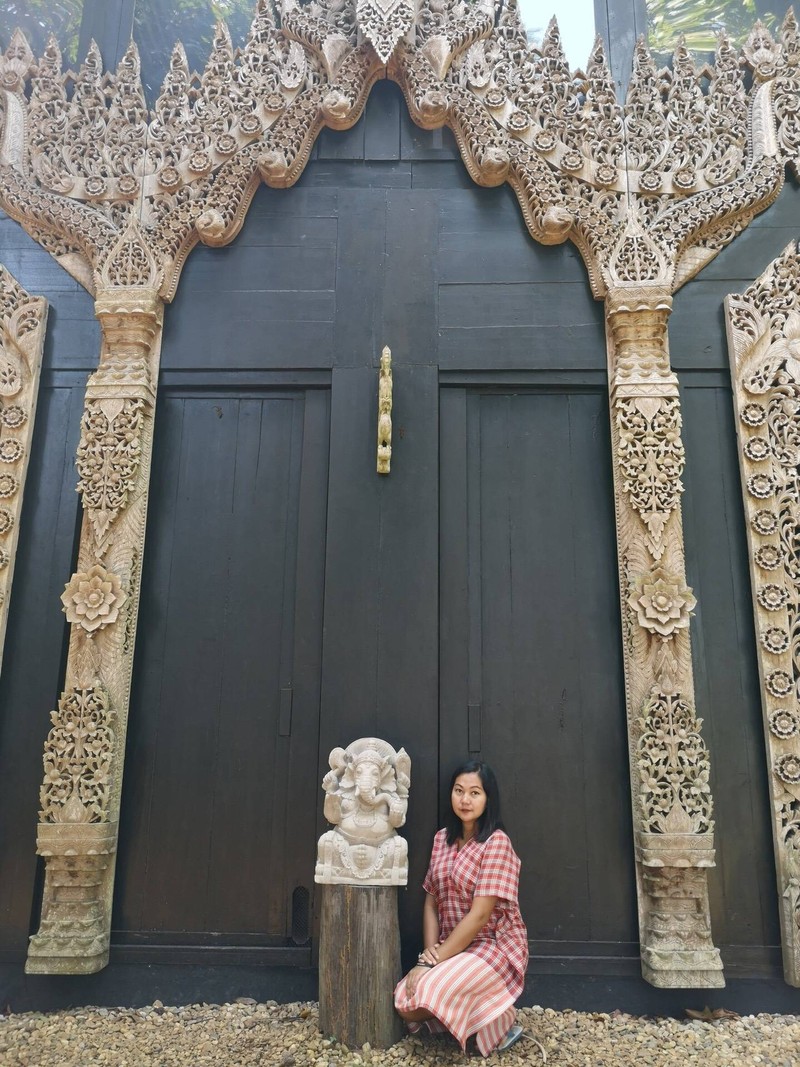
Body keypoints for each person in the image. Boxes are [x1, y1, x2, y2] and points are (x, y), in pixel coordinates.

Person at [394, 760, 529, 1056]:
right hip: (450, 946)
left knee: (427, 993)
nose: (465, 800)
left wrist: (432, 963)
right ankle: (486, 1015)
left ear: (488, 798)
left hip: (492, 946)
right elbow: (431, 902)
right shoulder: (441, 839)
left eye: (475, 793)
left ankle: (498, 1017)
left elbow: (480, 915)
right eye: (459, 791)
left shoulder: (496, 843)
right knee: (405, 1002)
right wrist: (429, 955)